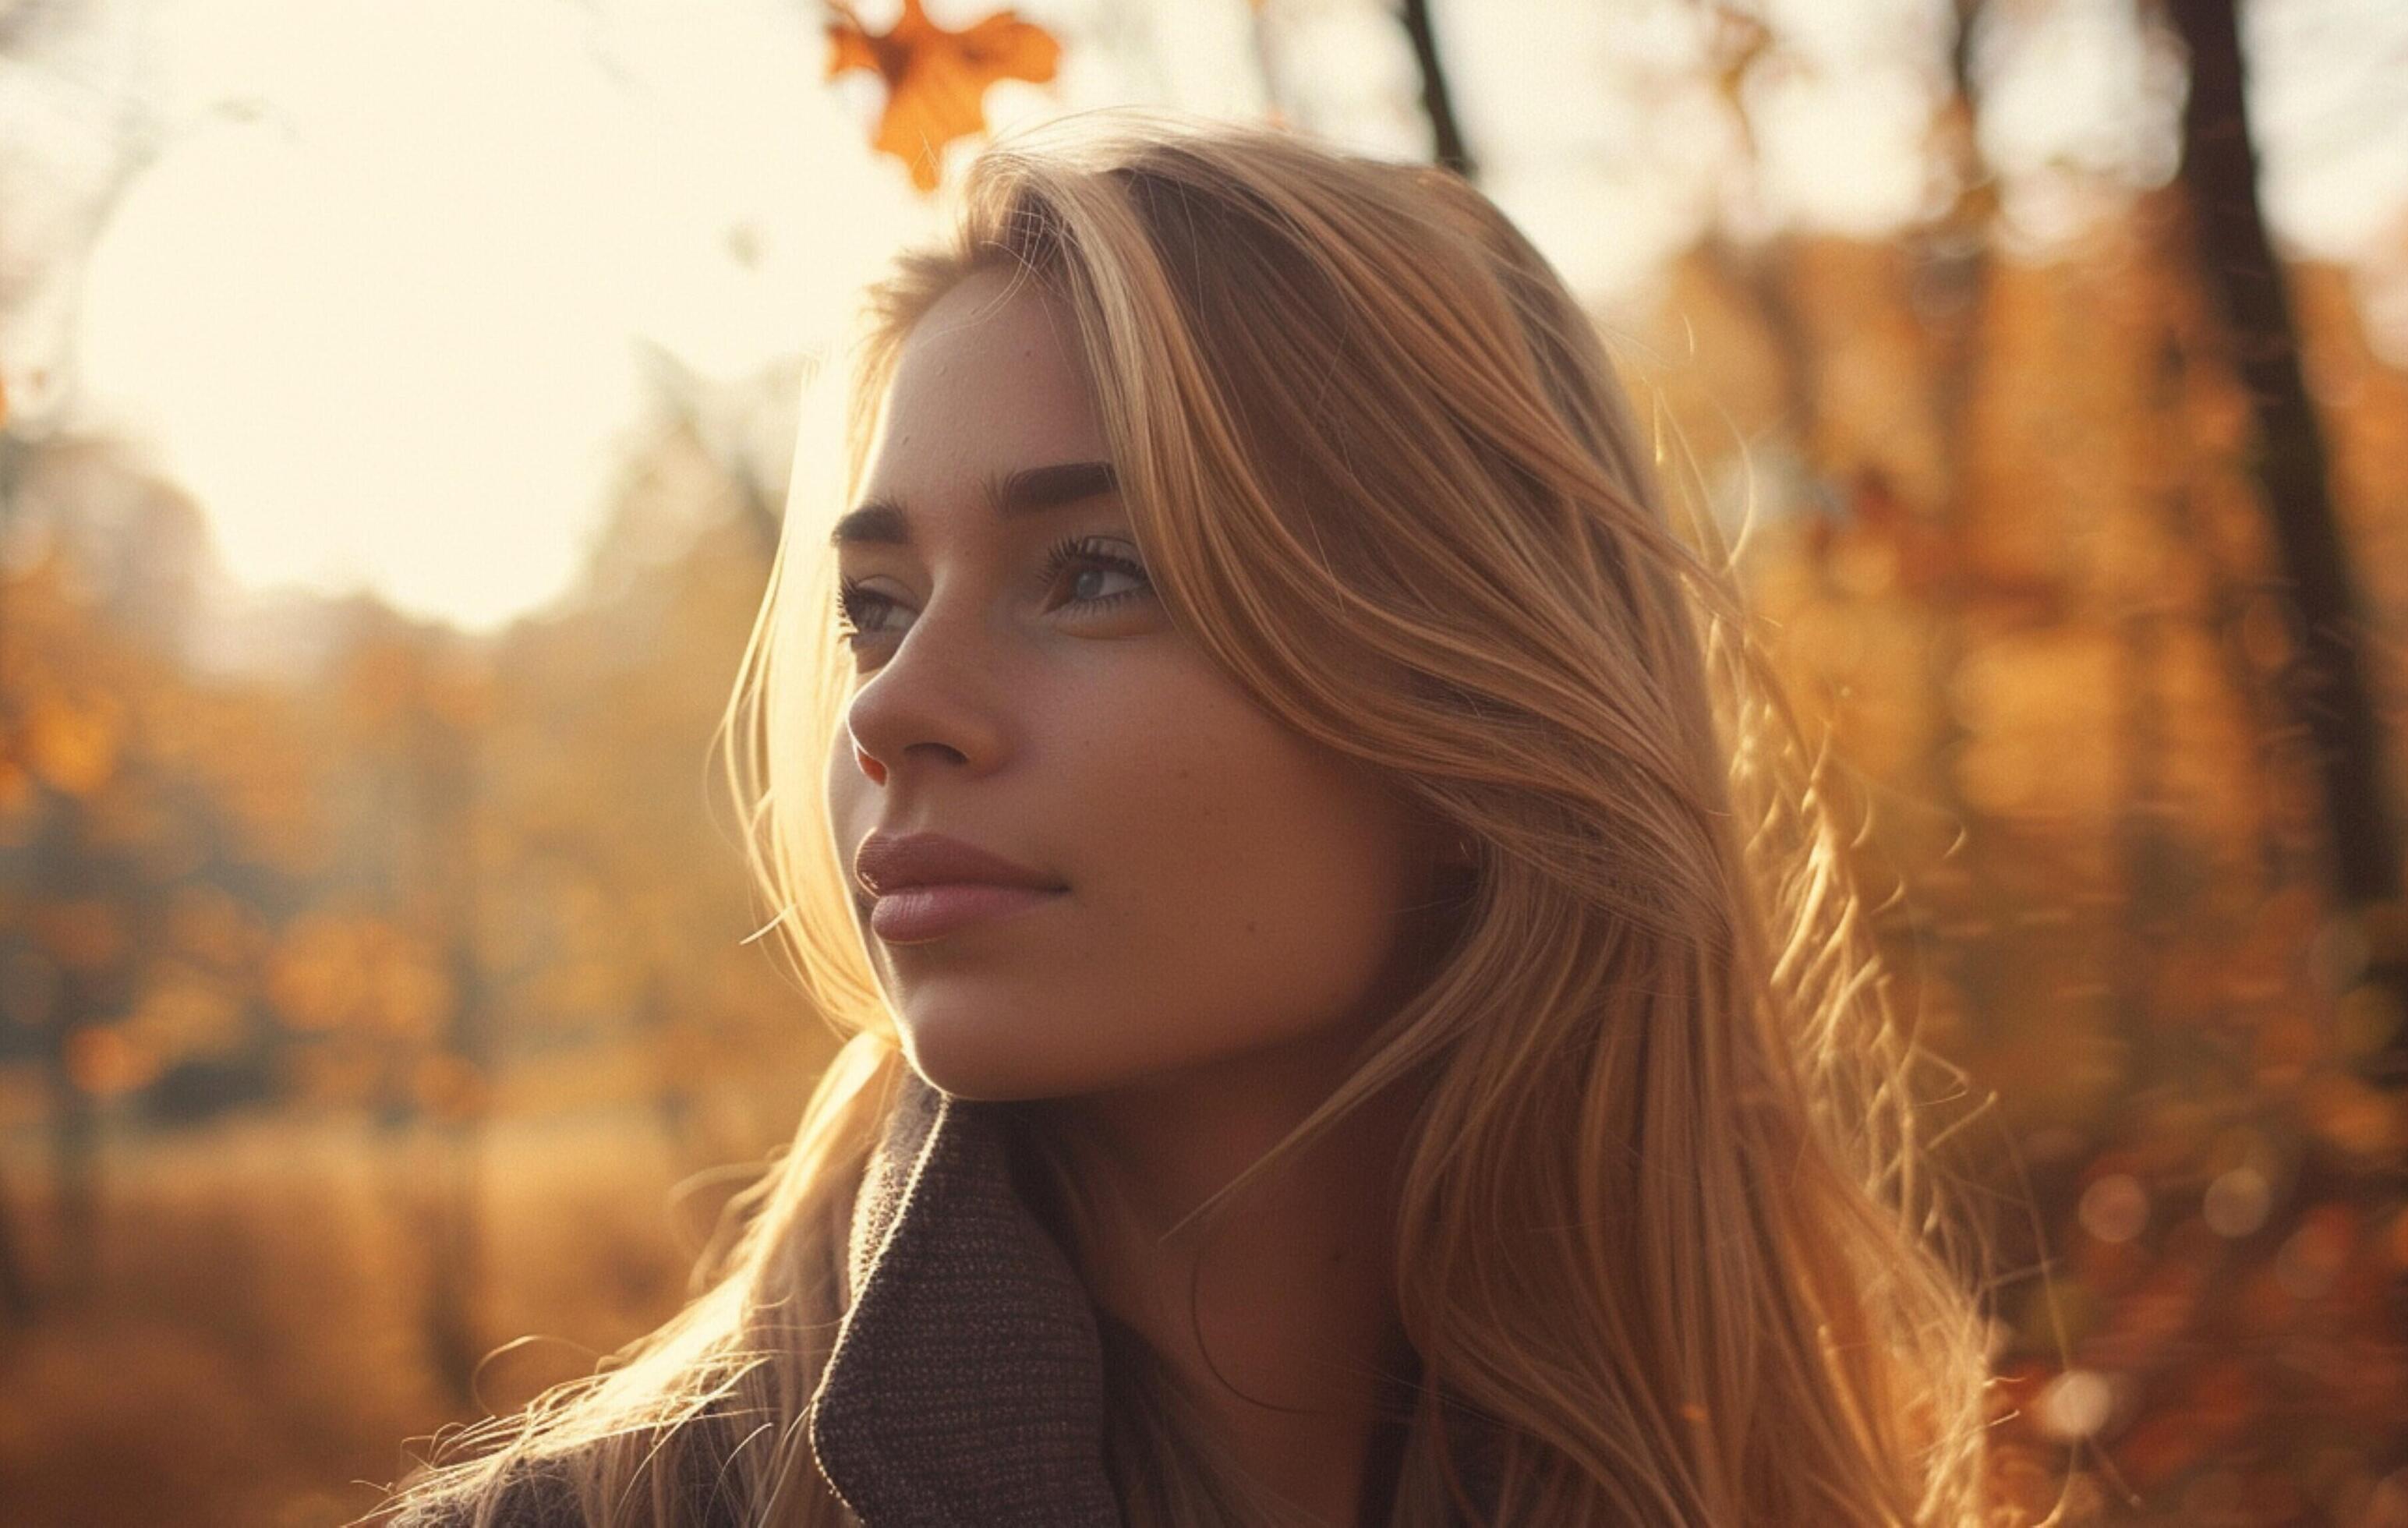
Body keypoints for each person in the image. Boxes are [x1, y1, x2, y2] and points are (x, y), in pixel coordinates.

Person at [366, 108, 1996, 1527]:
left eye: (1097, 570)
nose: (887, 707)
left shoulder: (1757, 1469)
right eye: (873, 603)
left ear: (1480, 714)